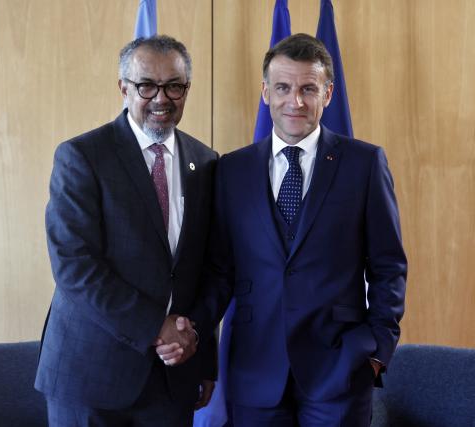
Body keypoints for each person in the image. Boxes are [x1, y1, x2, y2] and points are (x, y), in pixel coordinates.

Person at [158, 33, 407, 426]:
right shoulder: (231, 170)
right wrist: (192, 332)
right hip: (255, 370)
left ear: (327, 93)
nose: (296, 101)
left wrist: (377, 352)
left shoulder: (364, 164)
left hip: (339, 370)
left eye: (309, 88)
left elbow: (388, 266)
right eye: (283, 88)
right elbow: (220, 271)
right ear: (265, 92)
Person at [35, 35, 218, 427]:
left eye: (174, 86)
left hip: (172, 376)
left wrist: (199, 348)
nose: (161, 98)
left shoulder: (205, 163)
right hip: (91, 377)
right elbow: (75, 267)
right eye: (146, 85)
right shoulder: (82, 157)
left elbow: (208, 269)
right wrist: (156, 326)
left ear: (187, 89)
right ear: (123, 88)